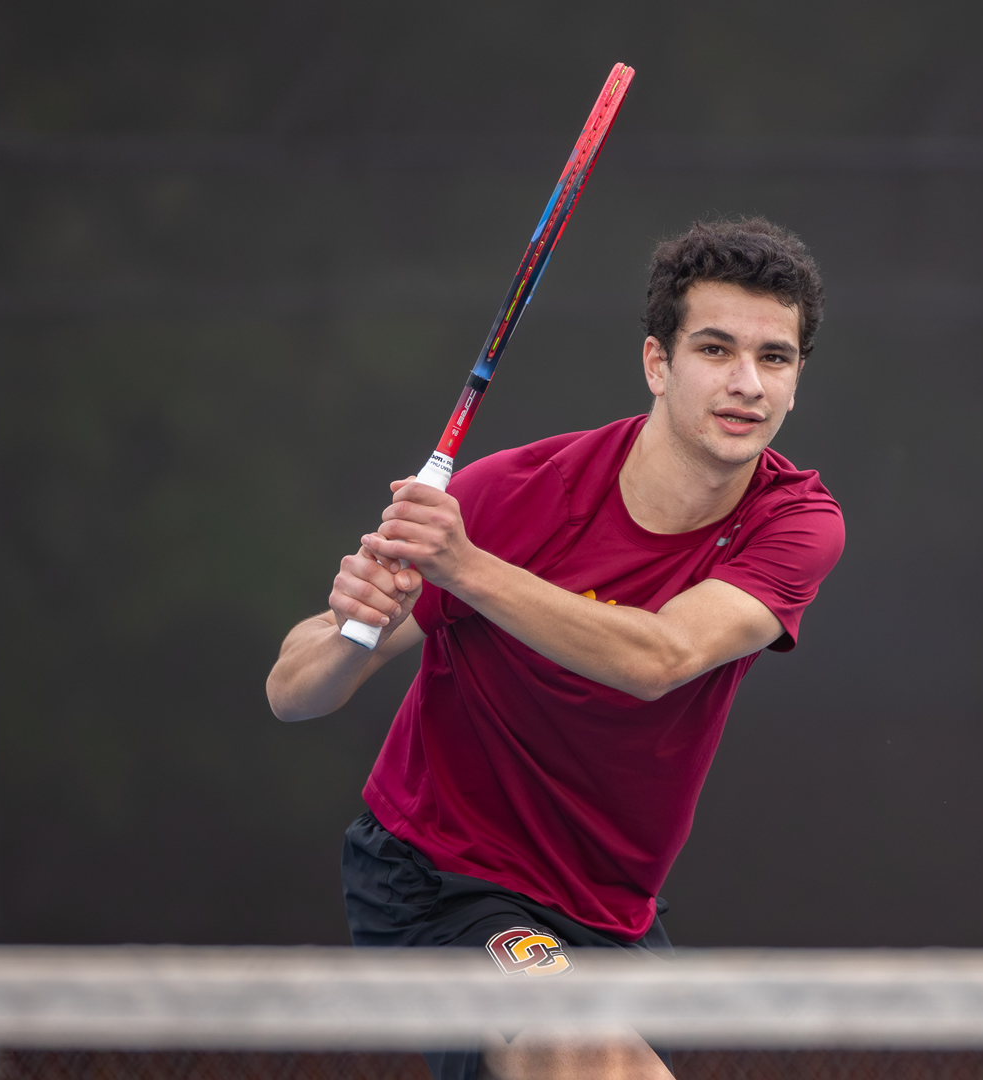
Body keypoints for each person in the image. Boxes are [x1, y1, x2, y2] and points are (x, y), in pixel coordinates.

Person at [266, 217, 845, 1080]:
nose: (747, 384)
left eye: (775, 358)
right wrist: (357, 625)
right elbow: (294, 691)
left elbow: (660, 658)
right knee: (583, 1055)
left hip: (612, 917)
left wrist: (465, 567)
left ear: (797, 381)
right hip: (443, 880)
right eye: (716, 350)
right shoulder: (512, 495)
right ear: (658, 362)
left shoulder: (796, 523)